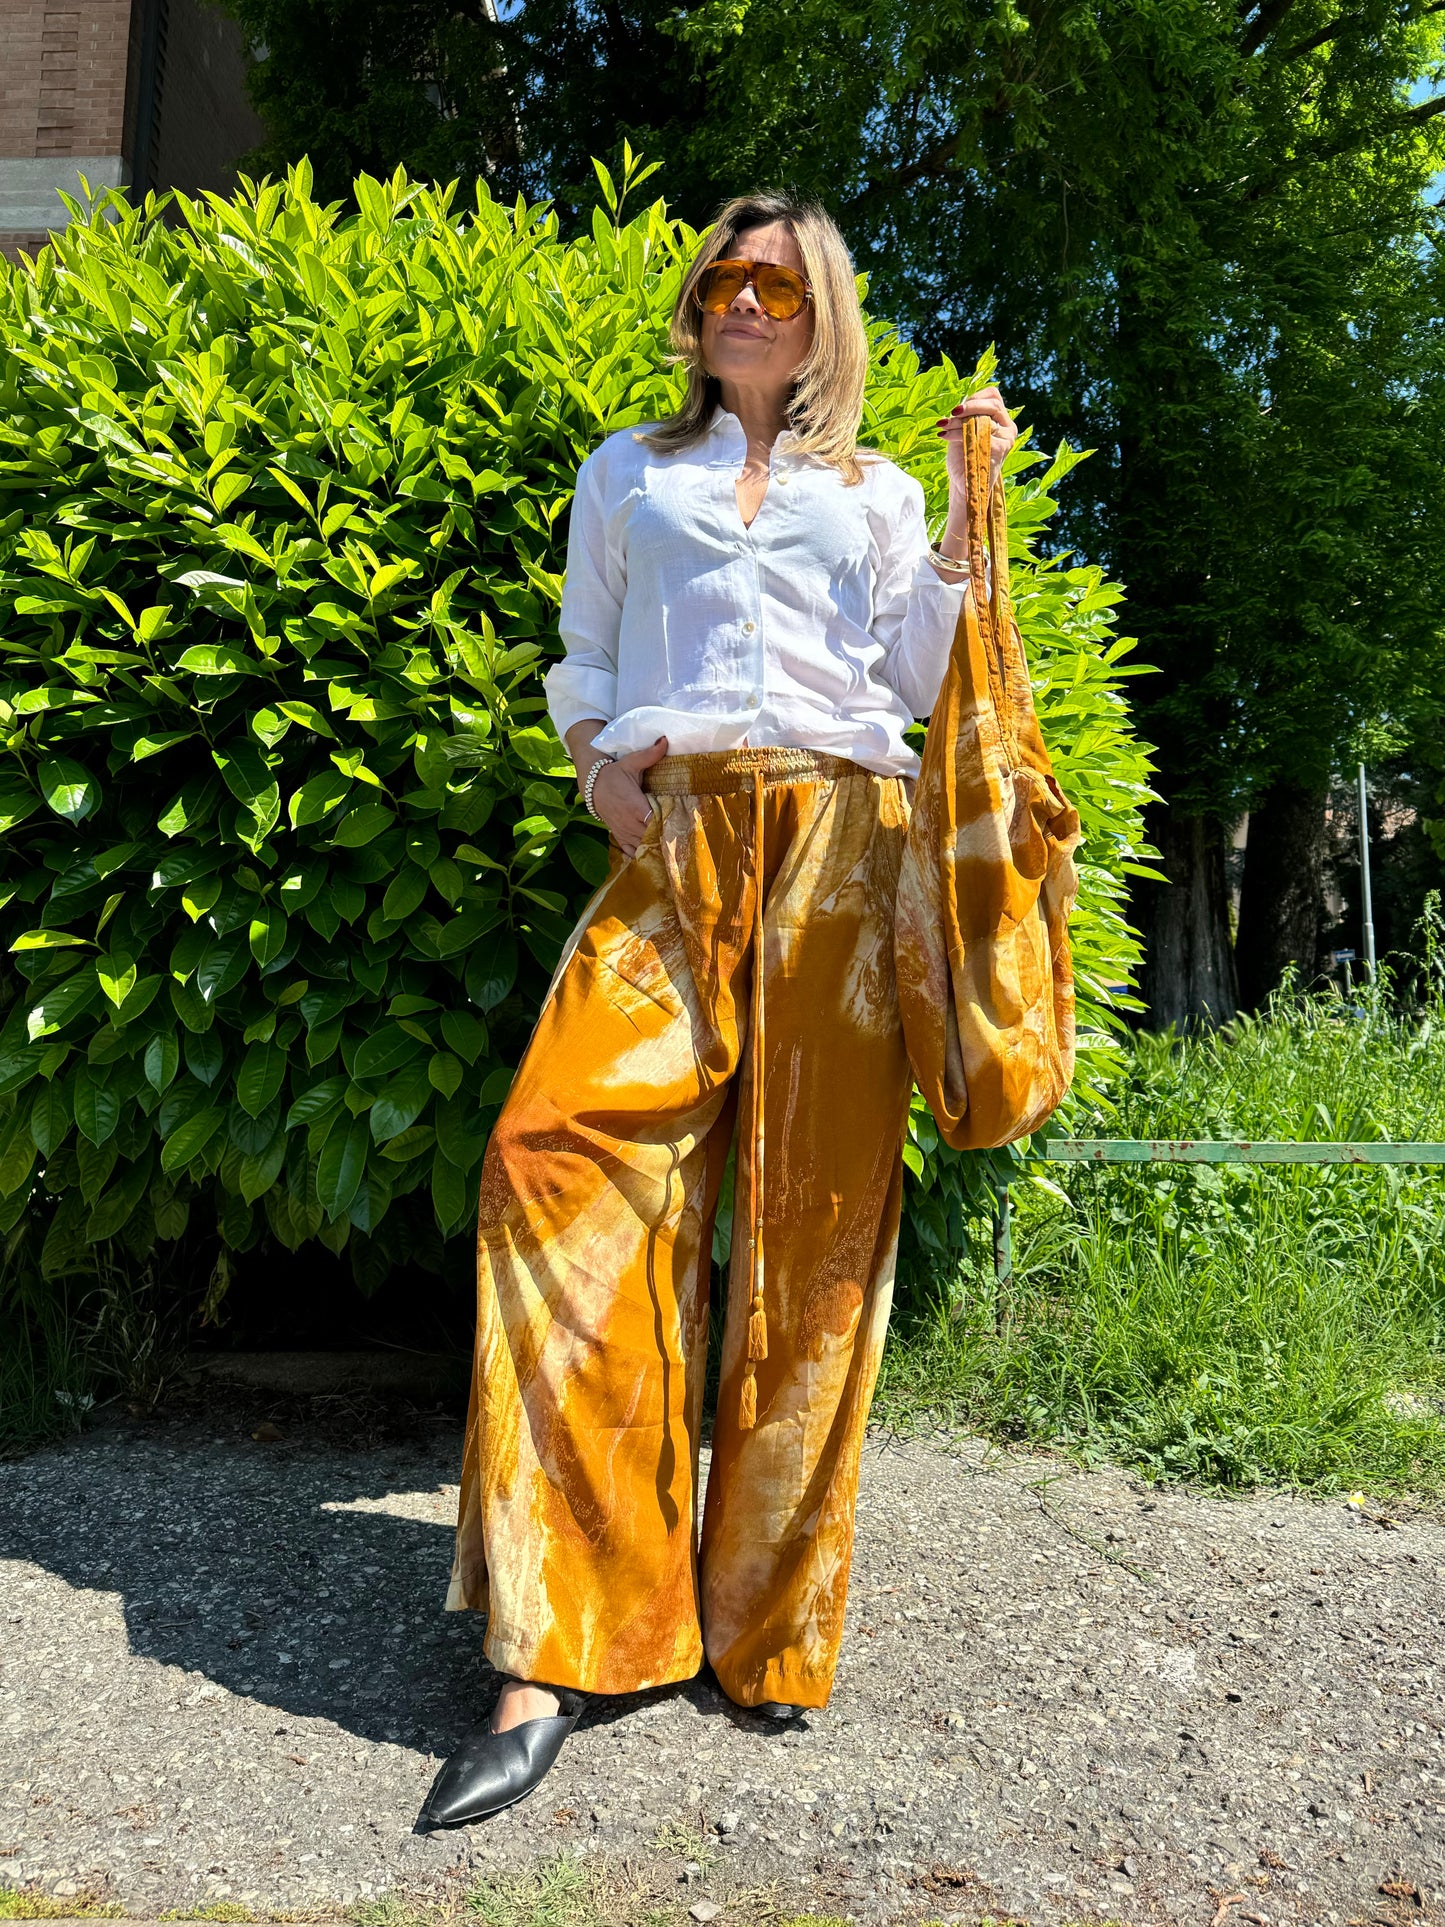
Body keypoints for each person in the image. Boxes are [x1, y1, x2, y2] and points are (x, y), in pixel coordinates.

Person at [419, 189, 1017, 1830]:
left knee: (817, 1236)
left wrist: (962, 529)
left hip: (841, 841)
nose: (745, 299)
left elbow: (914, 681)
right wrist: (598, 769)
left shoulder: (874, 489)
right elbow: (585, 650)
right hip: (676, 838)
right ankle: (554, 1647)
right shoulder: (627, 470)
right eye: (723, 277)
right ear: (696, 307)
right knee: (550, 1165)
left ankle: (768, 1628)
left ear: (821, 315)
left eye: (777, 281)